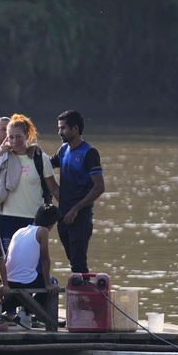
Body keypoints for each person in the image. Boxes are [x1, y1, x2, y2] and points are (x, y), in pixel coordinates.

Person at [0, 114, 59, 252]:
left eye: (19, 137)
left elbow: (54, 188)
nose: (14, 141)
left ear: (27, 136)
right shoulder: (3, 158)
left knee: (33, 263)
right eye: (11, 137)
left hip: (33, 219)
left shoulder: (39, 158)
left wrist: (69, 210)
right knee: (11, 262)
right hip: (7, 218)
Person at [51, 110, 105, 274]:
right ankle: (80, 293)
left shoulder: (89, 153)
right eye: (59, 128)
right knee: (73, 261)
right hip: (63, 215)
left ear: (75, 128)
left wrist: (75, 209)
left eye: (63, 128)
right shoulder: (63, 149)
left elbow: (99, 187)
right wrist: (33, 151)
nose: (60, 132)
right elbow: (47, 164)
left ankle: (84, 296)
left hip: (80, 217)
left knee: (79, 262)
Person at [1, 204, 60, 329]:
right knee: (52, 282)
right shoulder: (42, 231)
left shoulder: (20, 231)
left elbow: (6, 258)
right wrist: (48, 283)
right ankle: (25, 314)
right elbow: (45, 258)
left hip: (9, 279)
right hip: (24, 280)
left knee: (23, 288)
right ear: (52, 223)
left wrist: (4, 281)